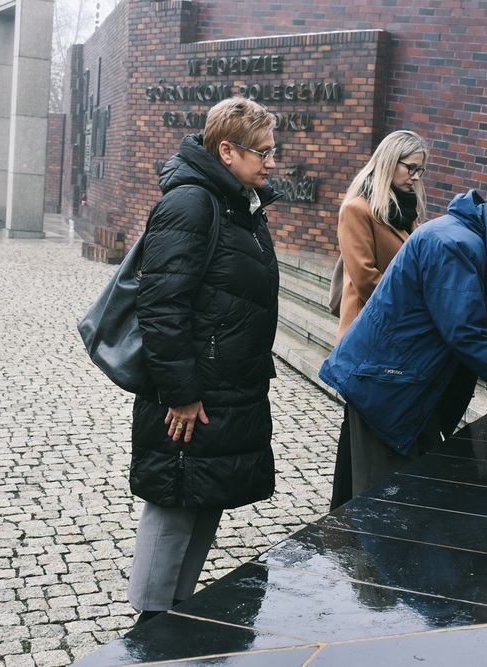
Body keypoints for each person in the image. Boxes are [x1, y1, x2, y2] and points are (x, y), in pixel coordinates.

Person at [319, 177, 487, 498]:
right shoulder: (453, 244)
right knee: (386, 505)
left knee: (385, 500)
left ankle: (346, 544)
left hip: (404, 383)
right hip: (388, 388)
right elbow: (467, 337)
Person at [128, 97, 281, 625]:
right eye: (262, 151)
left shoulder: (240, 203)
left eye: (271, 149)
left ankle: (177, 612)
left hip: (229, 387)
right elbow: (161, 305)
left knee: (206, 497)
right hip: (194, 391)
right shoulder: (191, 202)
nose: (270, 161)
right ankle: (148, 627)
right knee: (174, 501)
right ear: (226, 150)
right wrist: (181, 392)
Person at [329, 130, 429, 510]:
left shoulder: (407, 214)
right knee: (356, 428)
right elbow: (367, 277)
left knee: (361, 431)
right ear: (390, 162)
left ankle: (347, 510)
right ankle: (345, 511)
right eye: (411, 168)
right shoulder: (357, 209)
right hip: (367, 335)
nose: (416, 177)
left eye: (421, 170)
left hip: (393, 339)